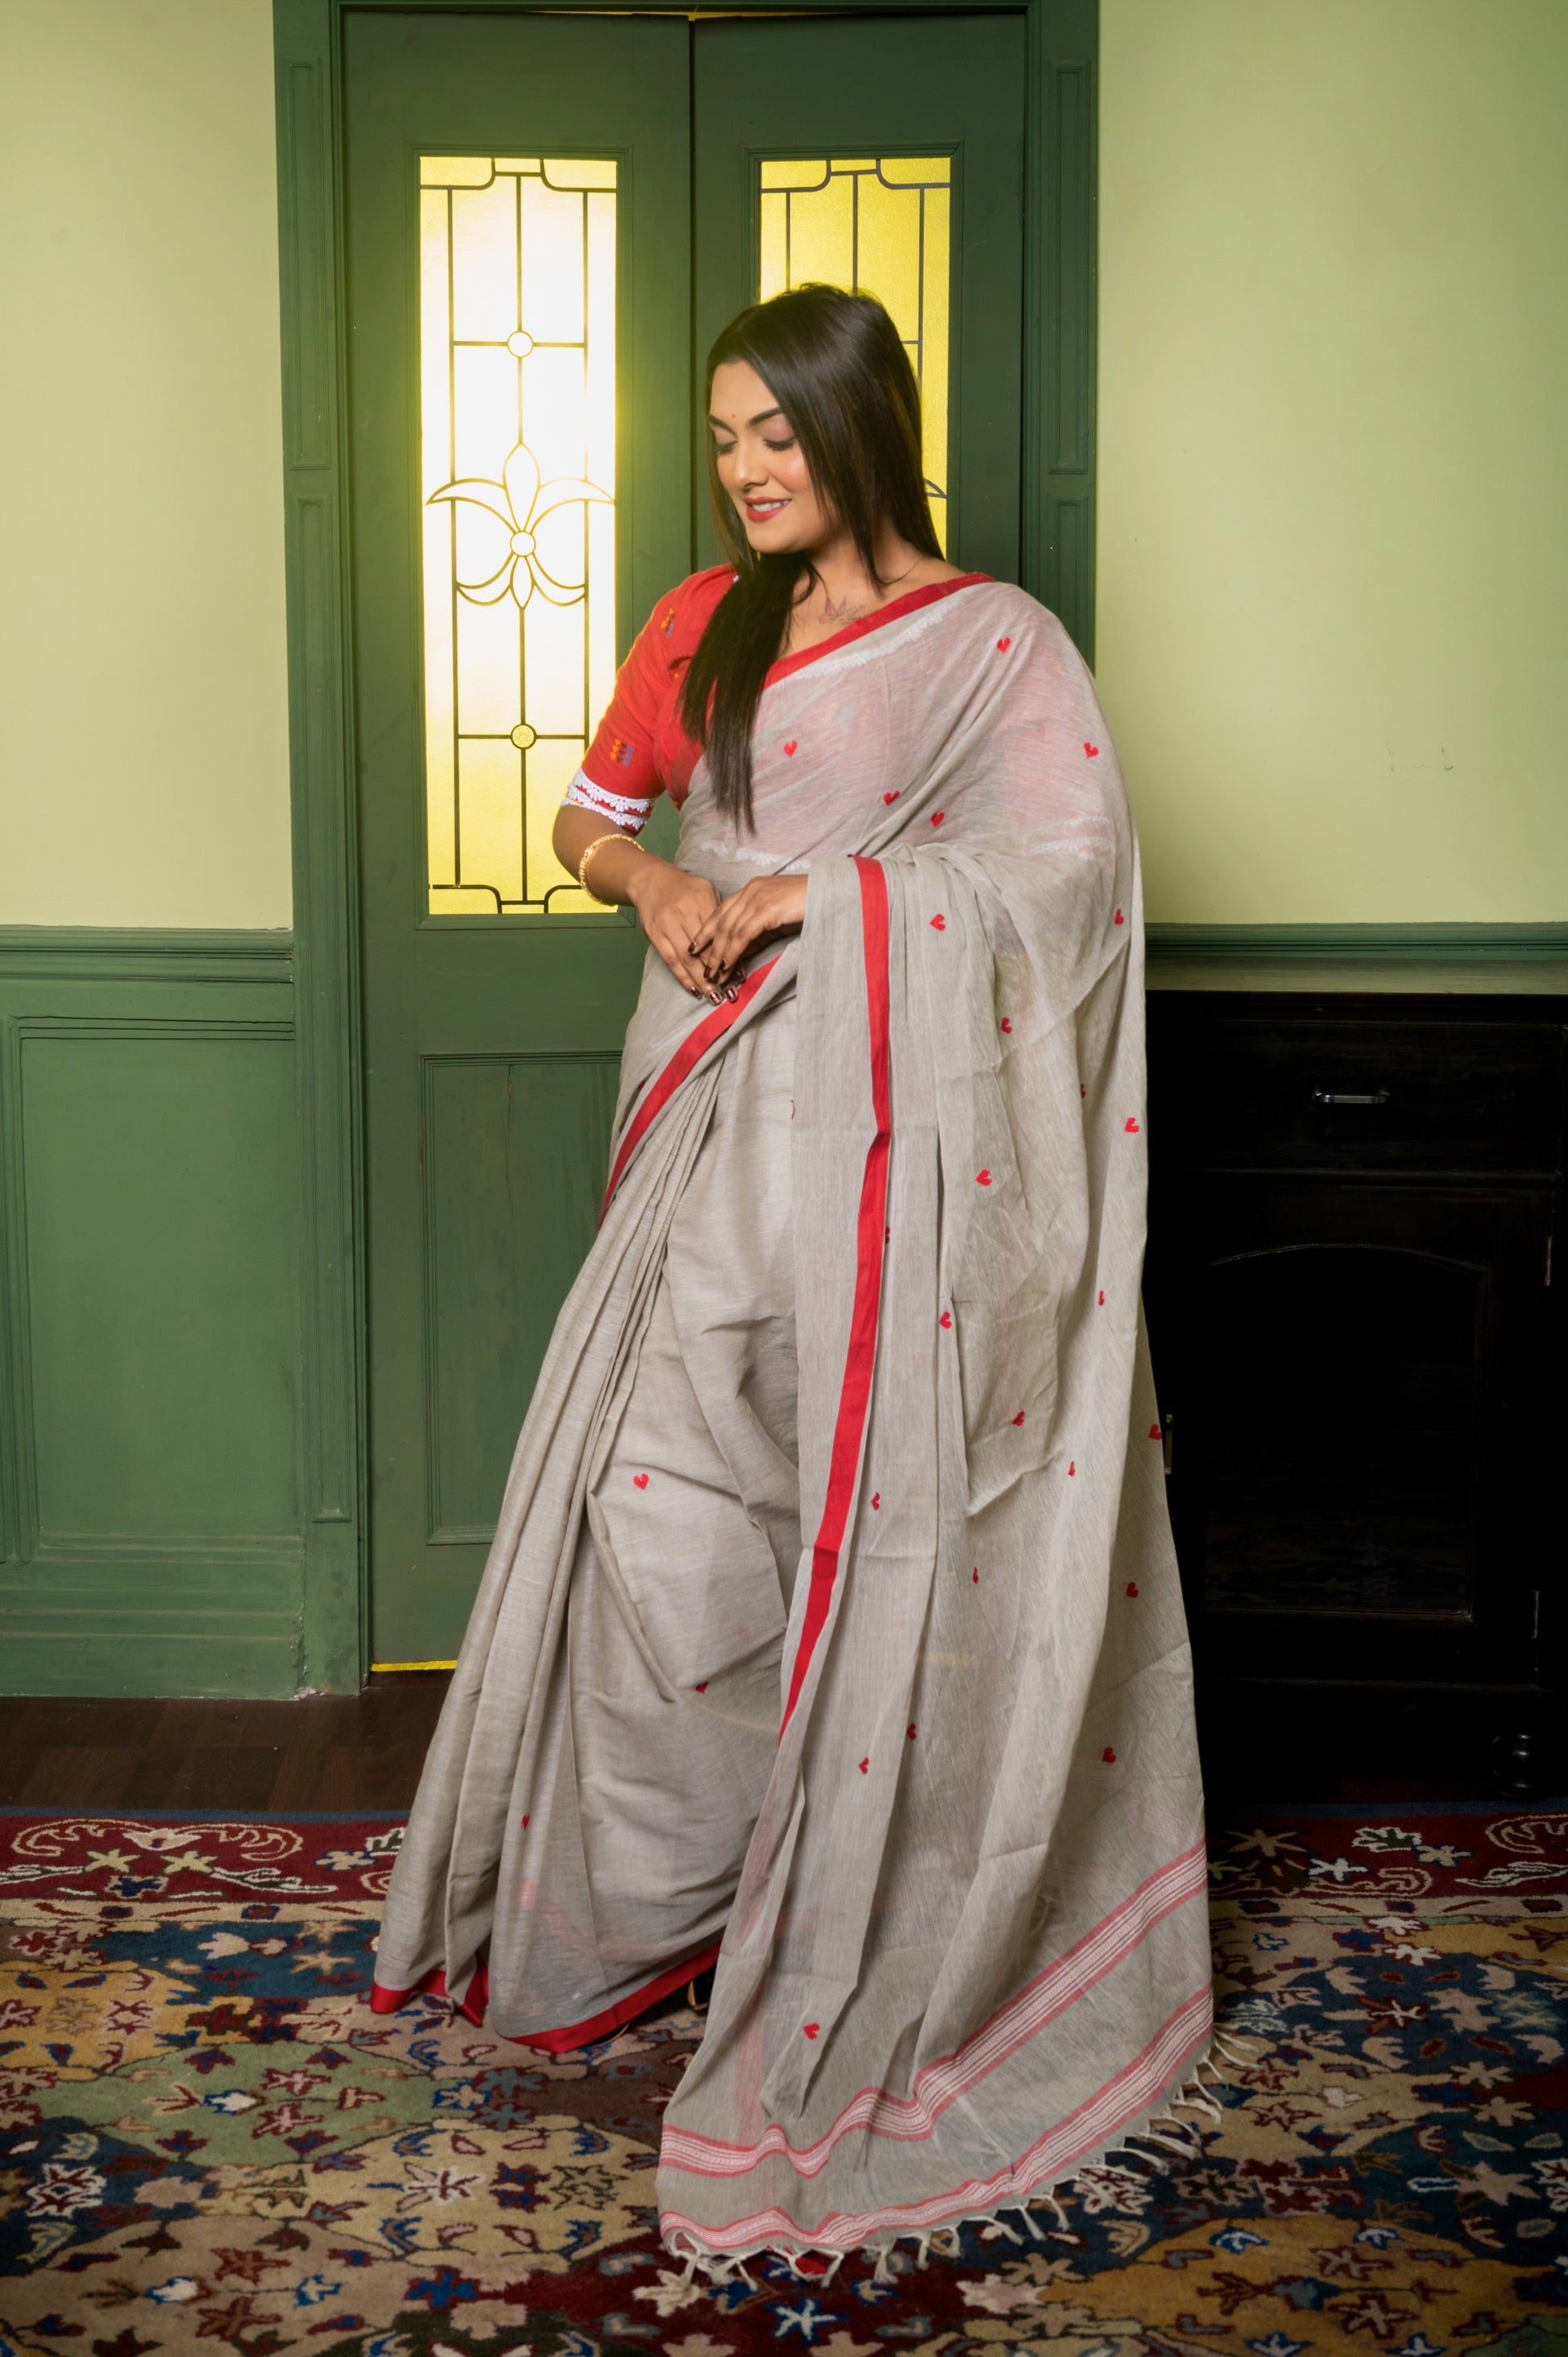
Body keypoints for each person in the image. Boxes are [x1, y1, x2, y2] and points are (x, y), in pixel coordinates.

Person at [372, 284, 1213, 2274]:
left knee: (883, 1522)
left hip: (916, 1167)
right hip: (706, 1137)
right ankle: (664, 1897)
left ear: (861, 425)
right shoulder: (701, 623)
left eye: (776, 431)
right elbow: (589, 816)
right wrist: (657, 876)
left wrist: (824, 894)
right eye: (725, 434)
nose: (746, 467)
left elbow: (1070, 877)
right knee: (672, 1514)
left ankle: (860, 1901)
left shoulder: (996, 643)